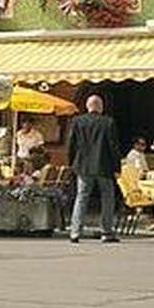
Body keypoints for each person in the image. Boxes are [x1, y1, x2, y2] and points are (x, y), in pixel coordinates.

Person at [67, 94, 122, 243]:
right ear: (101, 107)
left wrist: (71, 163)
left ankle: (75, 231)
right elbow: (113, 147)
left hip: (83, 166)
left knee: (81, 197)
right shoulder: (108, 122)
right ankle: (106, 232)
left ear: (87, 106)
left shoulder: (77, 121)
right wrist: (117, 167)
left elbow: (71, 144)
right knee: (107, 198)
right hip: (104, 166)